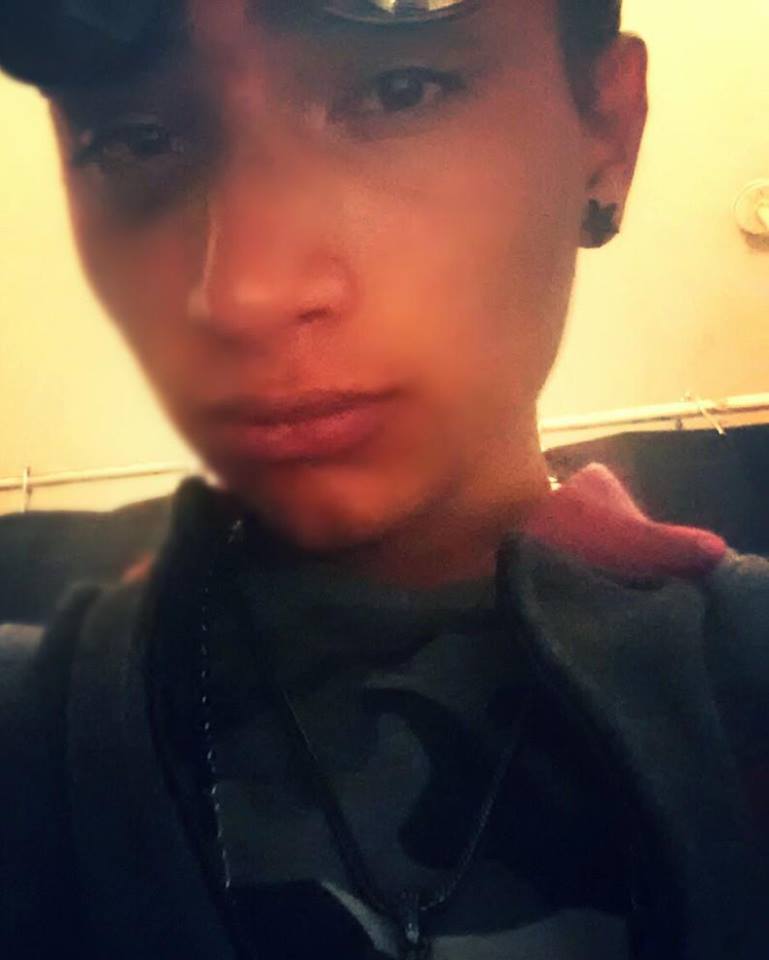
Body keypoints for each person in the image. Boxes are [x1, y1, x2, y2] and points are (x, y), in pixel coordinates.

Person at [1, 2, 767, 958]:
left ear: (607, 127)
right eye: (137, 139)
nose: (245, 293)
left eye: (398, 91)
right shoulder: (35, 738)